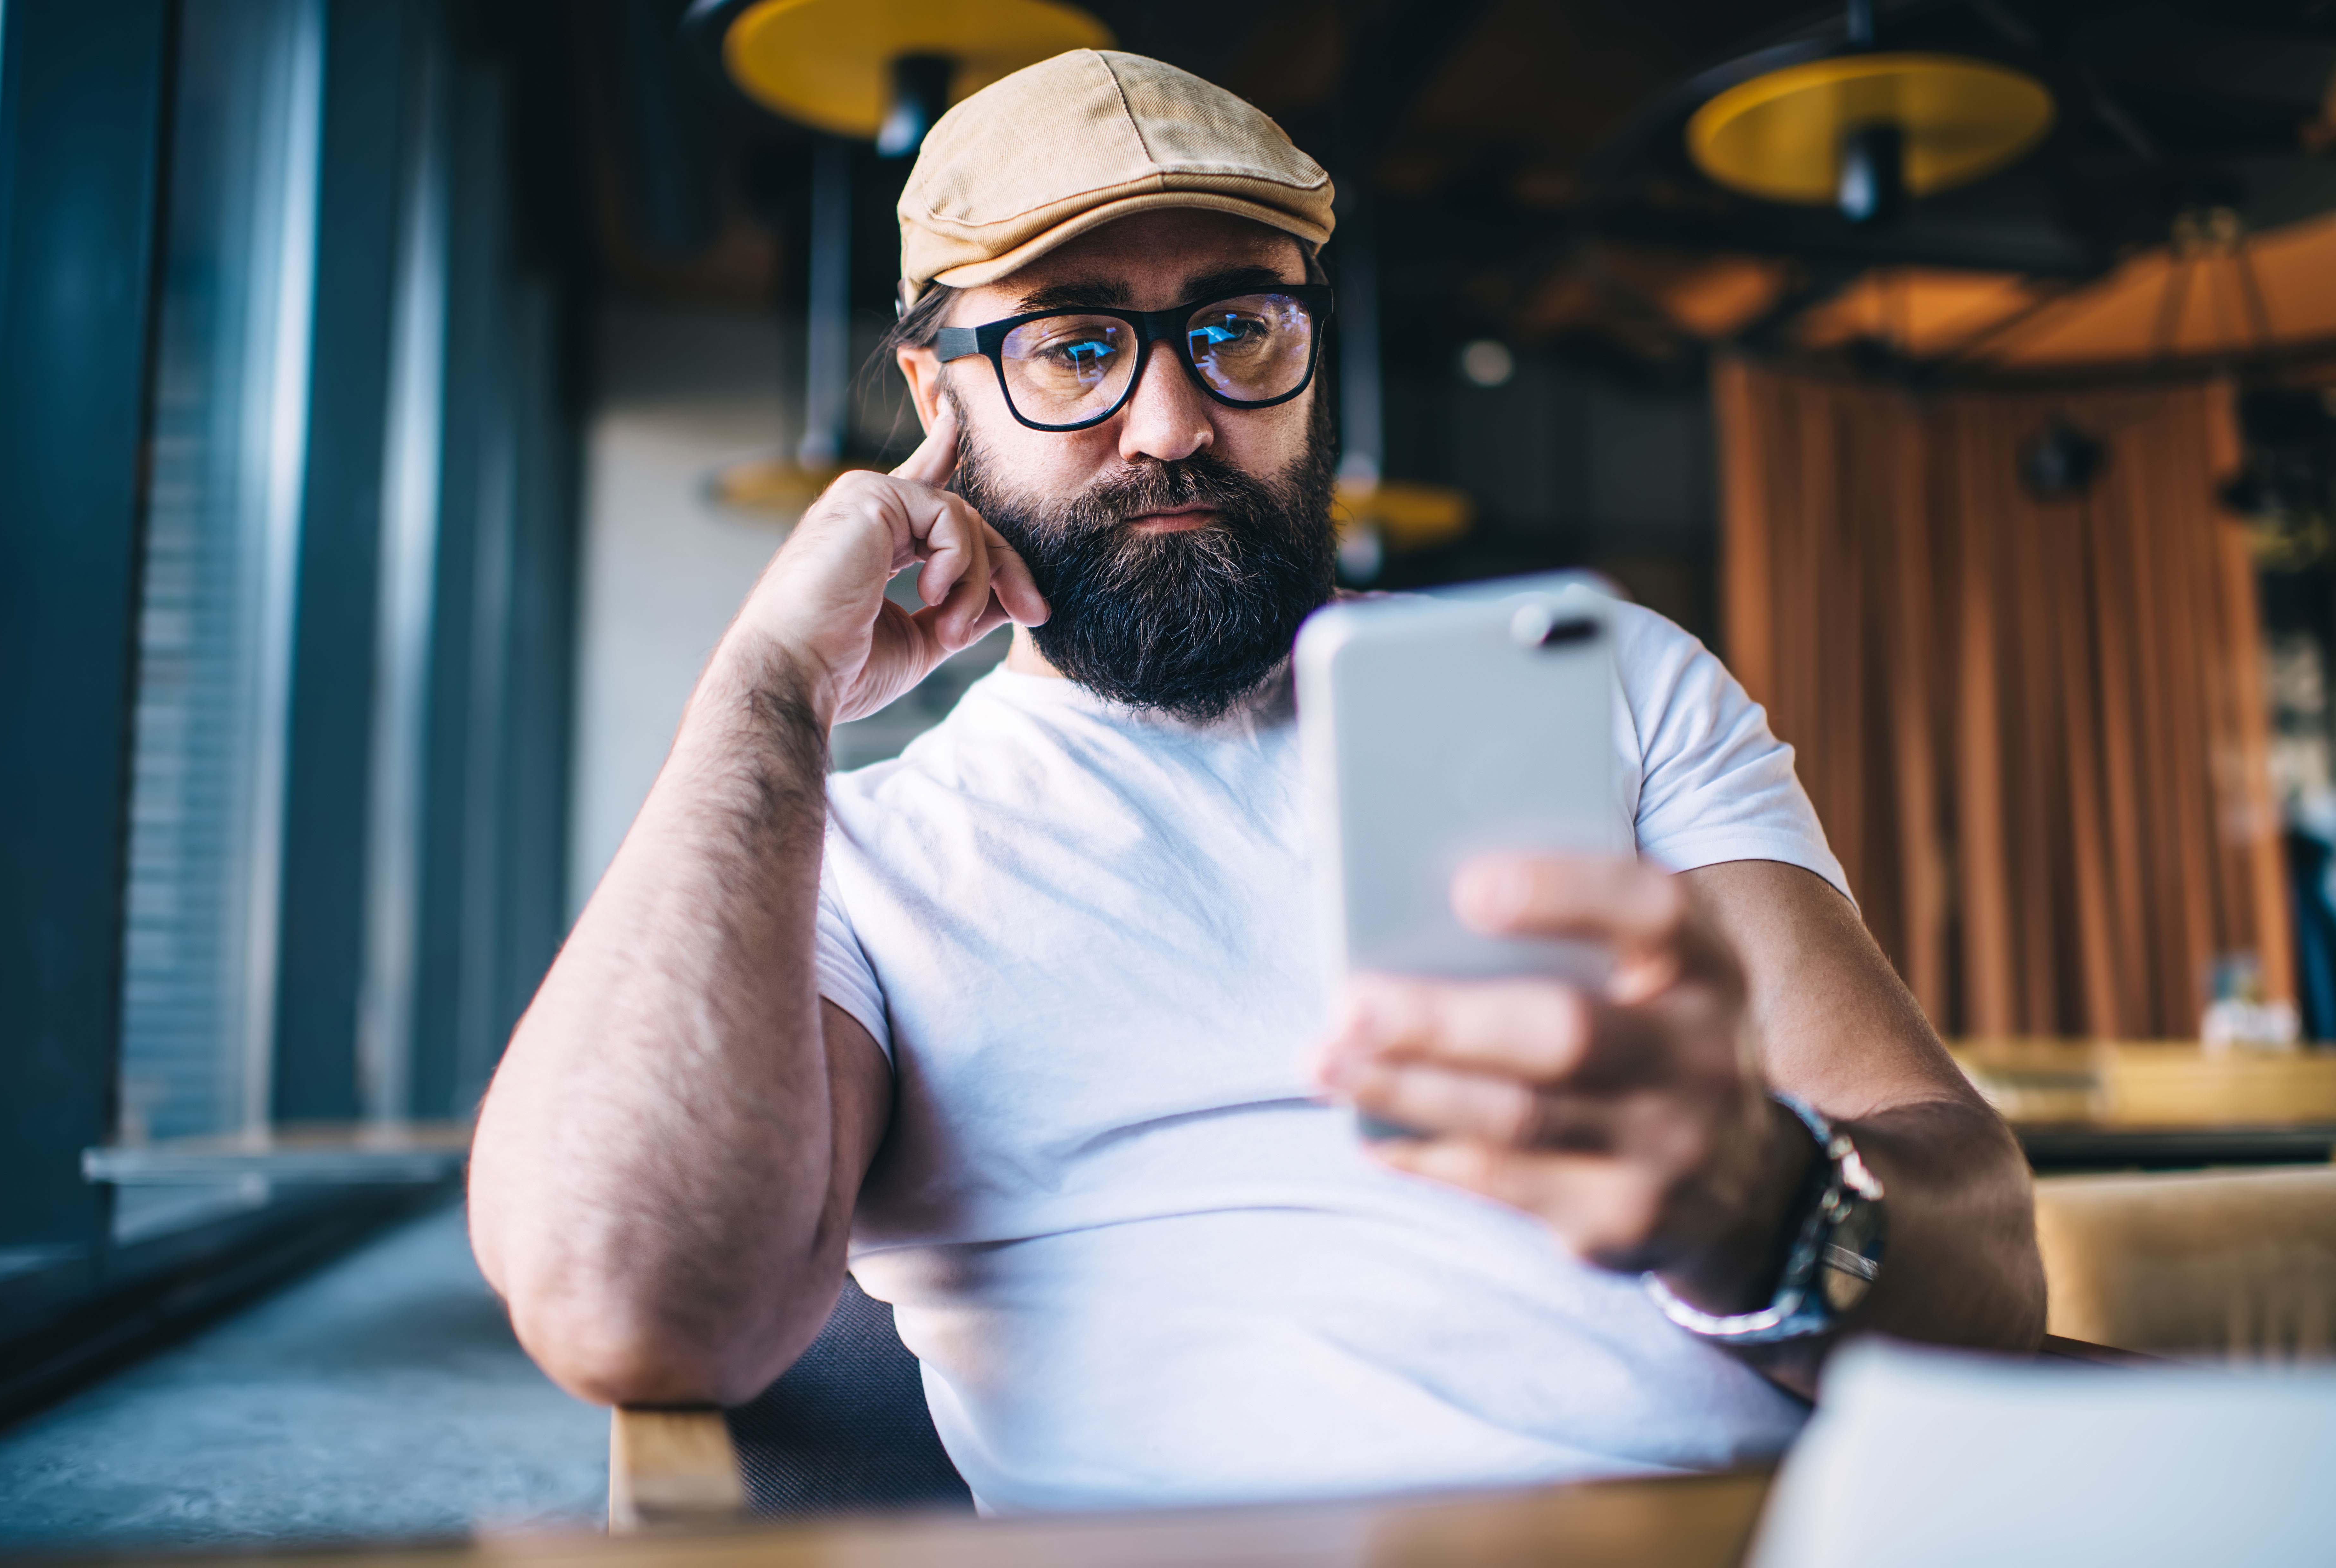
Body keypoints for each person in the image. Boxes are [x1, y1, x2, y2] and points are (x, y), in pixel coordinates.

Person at [469, 50, 2044, 1513]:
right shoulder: (861, 855)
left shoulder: (1605, 682)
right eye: (1074, 345)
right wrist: (768, 693)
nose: (1174, 421)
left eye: (1238, 328)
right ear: (938, 400)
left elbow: (1987, 1266)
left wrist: (1756, 1206)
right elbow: (630, 1308)